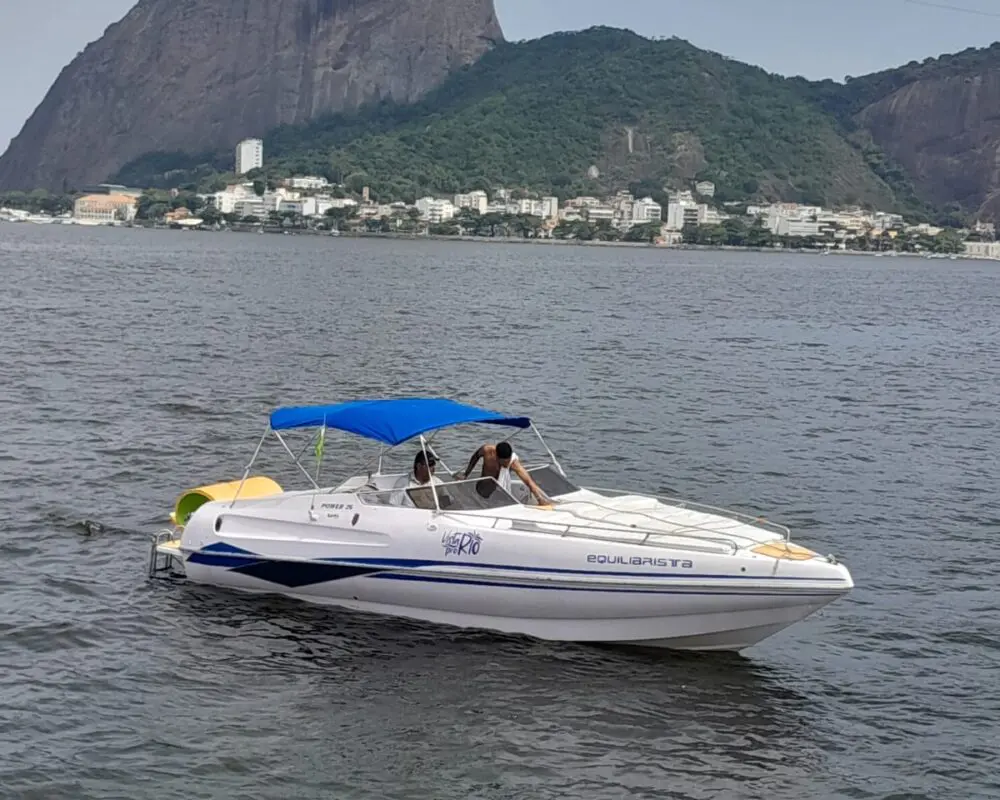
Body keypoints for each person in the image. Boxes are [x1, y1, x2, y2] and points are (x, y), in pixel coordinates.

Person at [455, 441, 552, 506]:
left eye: (508, 461)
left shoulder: (513, 463)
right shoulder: (487, 450)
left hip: (498, 494)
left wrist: (540, 499)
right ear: (496, 457)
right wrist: (466, 474)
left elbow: (529, 482)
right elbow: (475, 456)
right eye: (504, 462)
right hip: (480, 490)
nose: (506, 465)